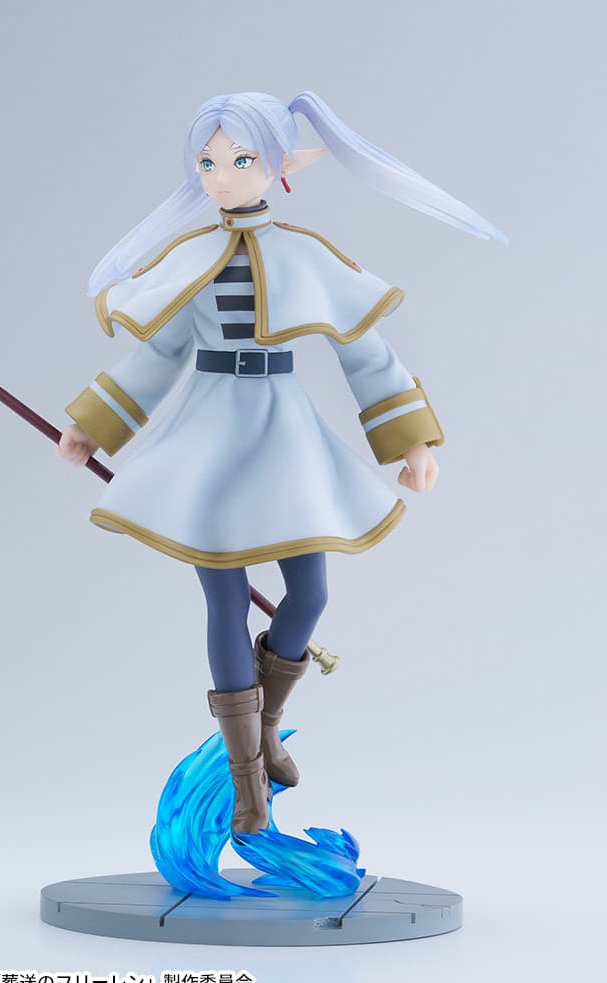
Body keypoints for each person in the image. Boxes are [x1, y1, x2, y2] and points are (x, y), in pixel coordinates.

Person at [57, 91, 504, 836]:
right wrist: (92, 426)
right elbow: (159, 355)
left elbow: (366, 353)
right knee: (225, 603)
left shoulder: (304, 255)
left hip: (284, 433)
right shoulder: (189, 260)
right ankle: (246, 783)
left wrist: (413, 441)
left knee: (310, 595)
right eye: (207, 163)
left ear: (281, 165)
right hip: (205, 437)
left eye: (239, 160)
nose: (220, 177)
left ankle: (266, 724)